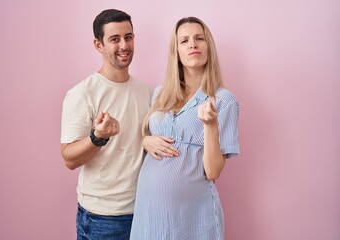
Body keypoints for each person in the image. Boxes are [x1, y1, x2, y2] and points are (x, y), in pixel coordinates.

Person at [129, 16, 240, 240]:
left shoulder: (223, 100)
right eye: (184, 40)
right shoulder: (161, 93)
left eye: (200, 38)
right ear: (176, 51)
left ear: (209, 47)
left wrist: (210, 125)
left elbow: (213, 171)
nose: (192, 44)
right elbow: (149, 137)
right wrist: (145, 140)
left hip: (192, 215)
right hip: (149, 212)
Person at [60, 9, 151, 240]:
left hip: (144, 210)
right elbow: (69, 158)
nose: (124, 45)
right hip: (102, 218)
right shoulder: (82, 94)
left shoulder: (147, 92)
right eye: (114, 39)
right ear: (98, 45)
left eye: (128, 37)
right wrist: (97, 137)